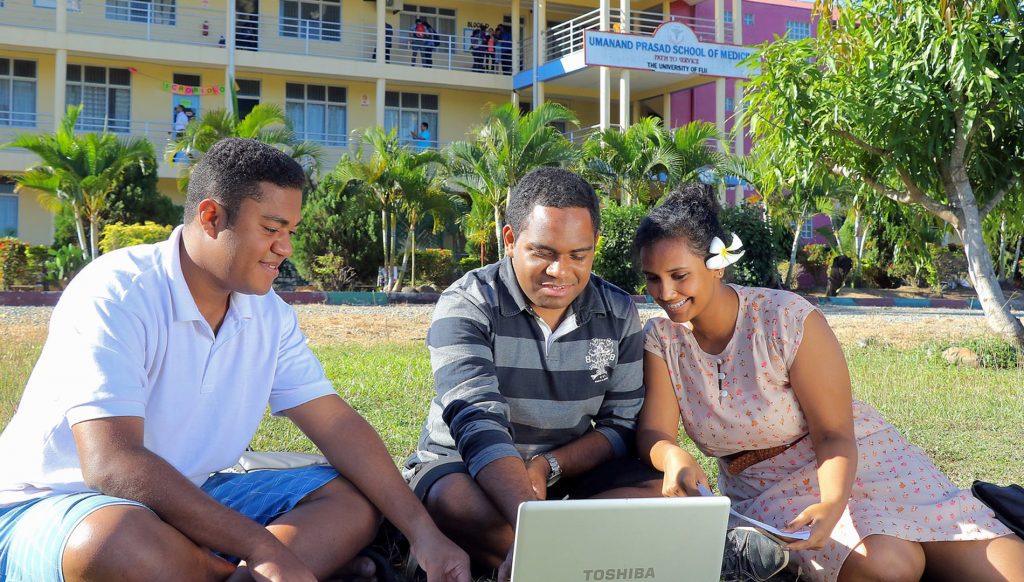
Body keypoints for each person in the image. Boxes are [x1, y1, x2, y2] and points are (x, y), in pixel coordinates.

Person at [0, 138, 471, 582]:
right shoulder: (118, 291)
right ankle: (244, 571)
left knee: (353, 500)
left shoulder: (266, 313)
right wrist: (266, 550)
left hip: (193, 493)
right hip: (60, 503)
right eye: (271, 229)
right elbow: (111, 464)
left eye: (290, 231)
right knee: (112, 543)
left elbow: (336, 425)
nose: (285, 249)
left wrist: (422, 532)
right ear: (210, 217)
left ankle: (212, 568)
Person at [634, 183, 1024, 582]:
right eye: (653, 279)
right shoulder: (663, 340)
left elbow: (835, 433)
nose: (665, 293)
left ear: (717, 264)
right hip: (767, 490)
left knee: (1011, 571)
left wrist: (834, 503)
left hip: (858, 462)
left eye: (679, 275)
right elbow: (654, 430)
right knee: (889, 566)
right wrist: (671, 456)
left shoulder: (784, 318)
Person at [404, 167, 664, 581]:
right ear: (510, 240)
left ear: (596, 245)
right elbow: (477, 420)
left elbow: (620, 425)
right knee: (454, 503)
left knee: (664, 499)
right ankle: (567, 555)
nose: (561, 272)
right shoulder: (466, 303)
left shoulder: (618, 311)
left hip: (567, 471)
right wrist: (531, 520)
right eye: (543, 253)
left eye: (579, 255)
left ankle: (548, 556)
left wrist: (547, 467)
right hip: (464, 467)